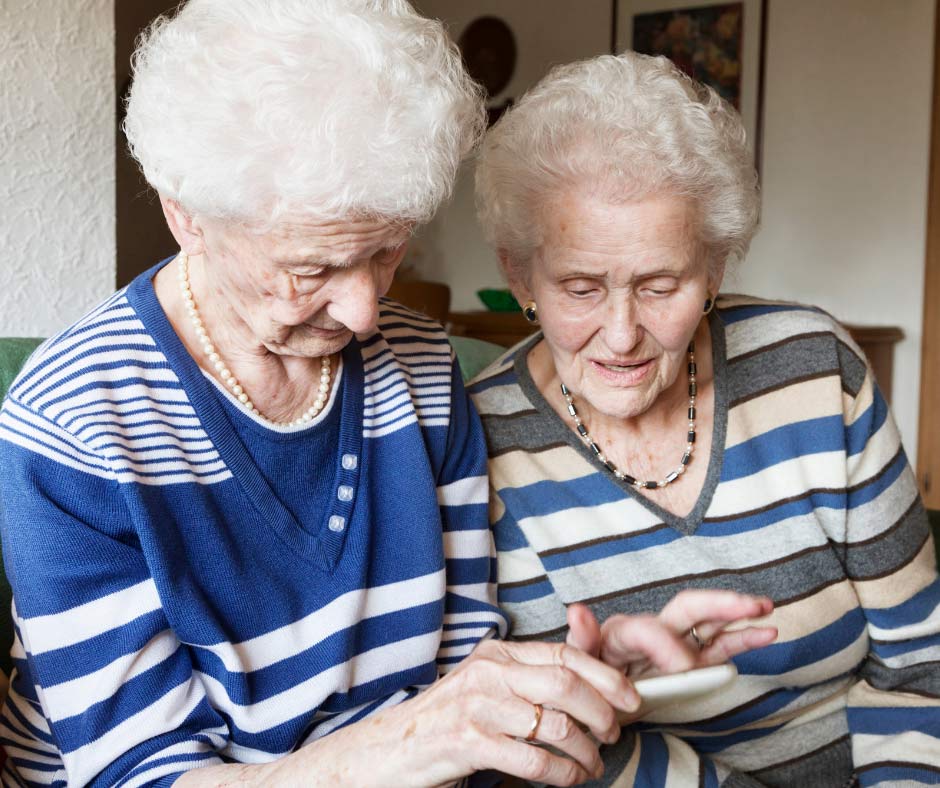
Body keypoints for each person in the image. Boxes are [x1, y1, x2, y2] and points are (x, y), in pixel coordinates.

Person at [0, 4, 777, 786]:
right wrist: (415, 741)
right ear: (186, 216)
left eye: (386, 251)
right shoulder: (76, 423)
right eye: (312, 270)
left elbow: (459, 672)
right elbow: (140, 776)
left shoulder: (421, 366)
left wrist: (573, 681)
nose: (367, 311)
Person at [471, 51, 940, 786]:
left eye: (661, 285)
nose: (622, 334)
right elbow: (553, 742)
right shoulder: (482, 446)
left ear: (714, 270)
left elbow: (922, 664)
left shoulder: (816, 373)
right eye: (580, 287)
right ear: (519, 275)